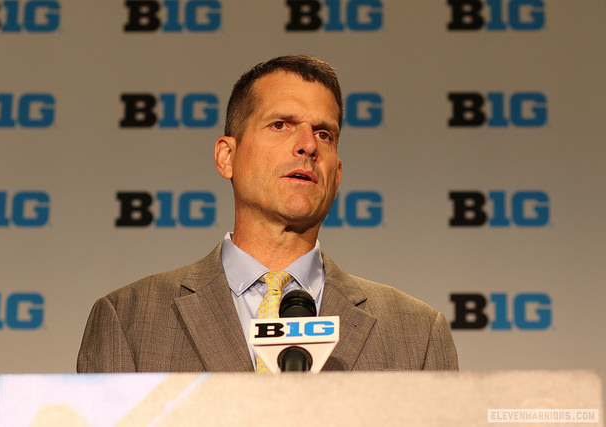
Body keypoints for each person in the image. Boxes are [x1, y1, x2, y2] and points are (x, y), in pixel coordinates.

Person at [77, 55, 458, 373]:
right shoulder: (128, 319)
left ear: (337, 175)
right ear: (227, 157)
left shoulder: (417, 333)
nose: (308, 145)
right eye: (281, 125)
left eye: (324, 134)